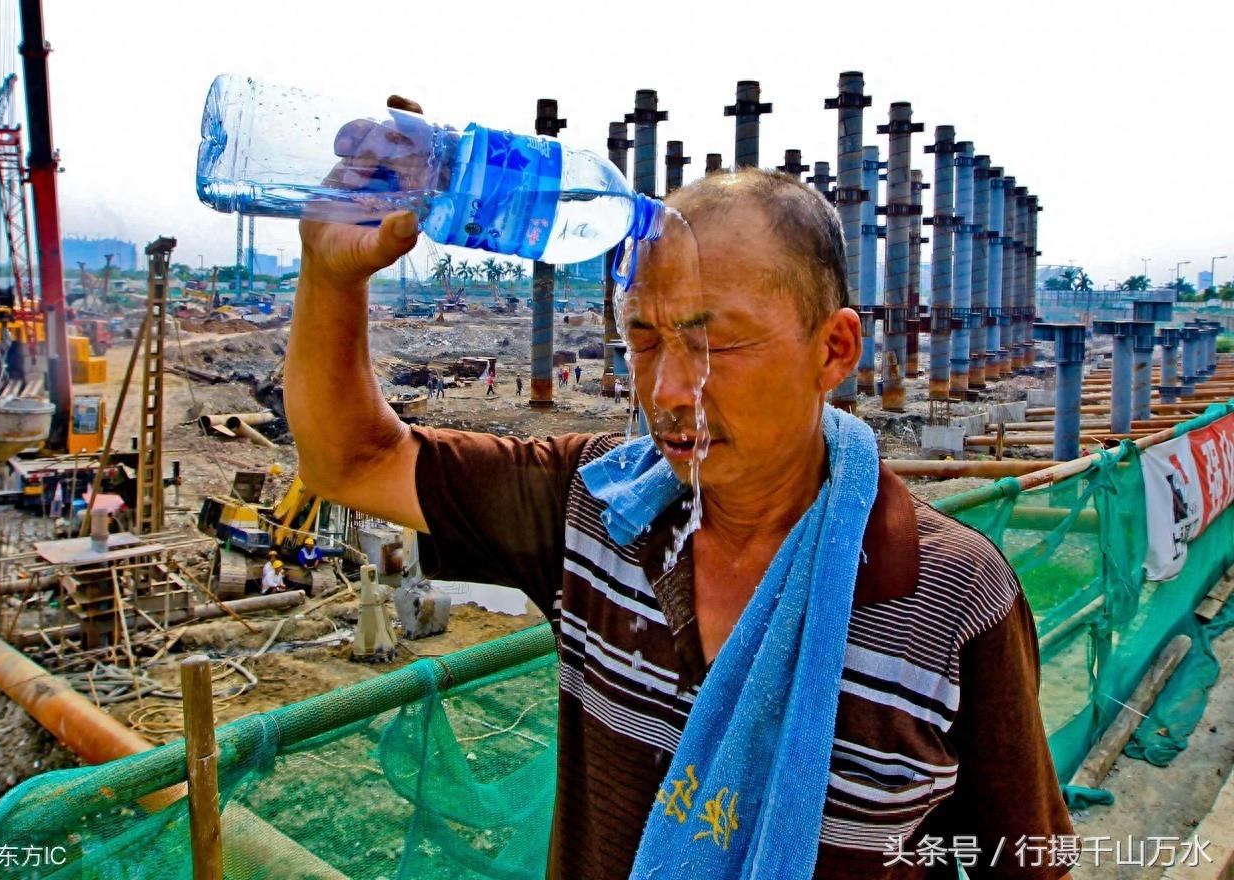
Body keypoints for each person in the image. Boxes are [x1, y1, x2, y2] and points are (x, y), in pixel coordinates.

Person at [288, 147, 1072, 878]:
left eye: (714, 343)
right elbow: (352, 460)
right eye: (643, 338)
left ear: (833, 351)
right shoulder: (592, 506)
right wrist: (331, 275)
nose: (667, 391)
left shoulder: (950, 598)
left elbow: (1026, 860)